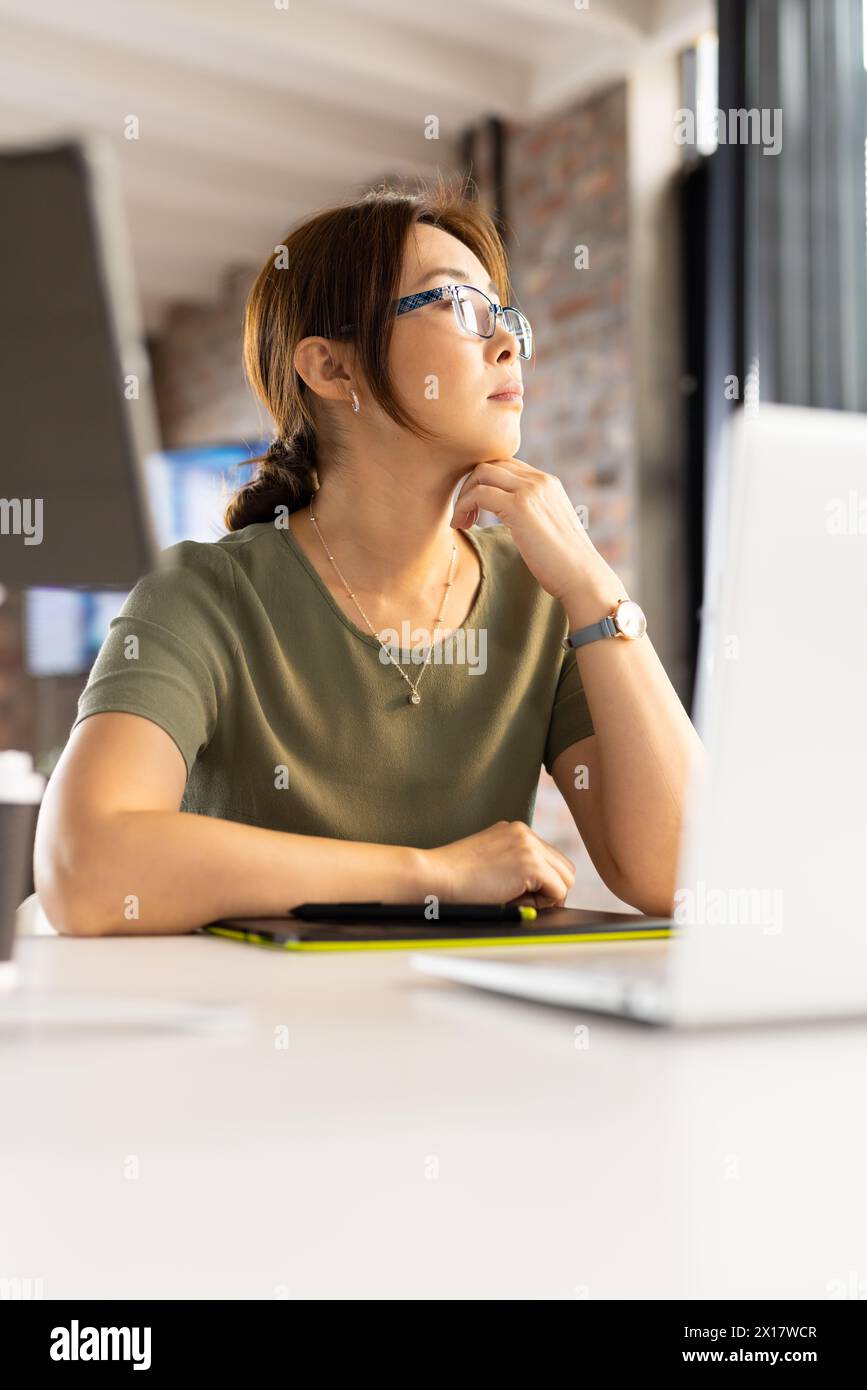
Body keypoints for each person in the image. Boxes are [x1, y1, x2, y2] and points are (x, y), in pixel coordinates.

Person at [35, 176, 703, 936]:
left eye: (505, 314)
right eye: (459, 305)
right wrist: (429, 874)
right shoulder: (201, 595)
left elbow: (688, 874)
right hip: (253, 1042)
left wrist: (594, 587)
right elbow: (84, 869)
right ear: (332, 368)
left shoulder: (546, 596)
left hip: (478, 1042)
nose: (507, 341)